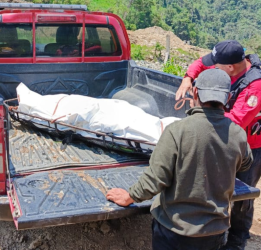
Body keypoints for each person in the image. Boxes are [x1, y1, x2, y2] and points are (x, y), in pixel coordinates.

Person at [106, 68, 253, 250]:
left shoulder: (177, 131)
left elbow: (156, 178)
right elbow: (246, 163)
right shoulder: (238, 134)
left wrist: (130, 196)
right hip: (214, 232)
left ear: (196, 92)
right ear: (228, 97)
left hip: (175, 232)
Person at [176, 40, 261, 250]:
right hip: (221, 136)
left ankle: (237, 241)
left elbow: (236, 122)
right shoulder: (228, 61)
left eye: (217, 66)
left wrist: (199, 119)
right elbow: (201, 63)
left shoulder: (255, 86)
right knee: (215, 186)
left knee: (242, 197)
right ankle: (214, 231)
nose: (213, 68)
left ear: (230, 67)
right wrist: (188, 78)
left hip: (249, 146)